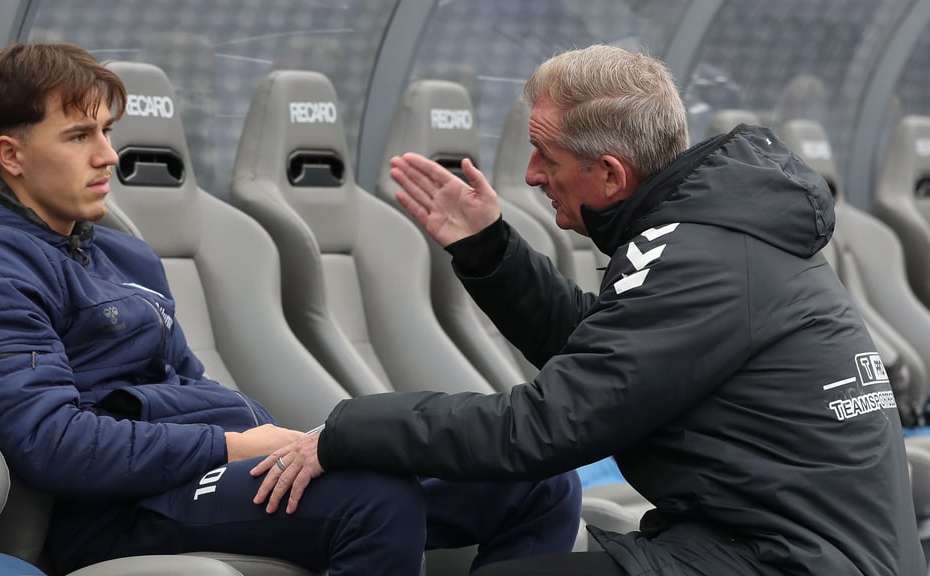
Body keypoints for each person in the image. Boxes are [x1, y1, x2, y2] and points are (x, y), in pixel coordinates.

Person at [254, 44, 927, 575]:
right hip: (777, 545)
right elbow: (610, 353)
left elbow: (542, 428)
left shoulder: (700, 257)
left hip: (788, 560)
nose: (530, 175)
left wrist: (347, 429)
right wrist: (489, 250)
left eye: (546, 155)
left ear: (609, 173)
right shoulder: (714, 233)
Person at [0, 42, 583, 575]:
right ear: (11, 155)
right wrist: (234, 444)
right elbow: (50, 443)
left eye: (106, 131)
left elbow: (187, 381)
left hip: (211, 467)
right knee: (373, 499)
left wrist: (278, 444)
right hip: (120, 511)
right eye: (77, 137)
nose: (108, 155)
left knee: (536, 482)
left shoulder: (123, 255)